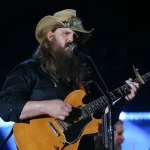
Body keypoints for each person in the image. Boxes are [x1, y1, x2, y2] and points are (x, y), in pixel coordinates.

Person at [0, 9, 139, 150]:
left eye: (76, 36)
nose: (72, 40)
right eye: (66, 33)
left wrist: (122, 101)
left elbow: (103, 123)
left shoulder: (82, 79)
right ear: (50, 36)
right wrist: (46, 106)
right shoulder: (29, 70)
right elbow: (5, 106)